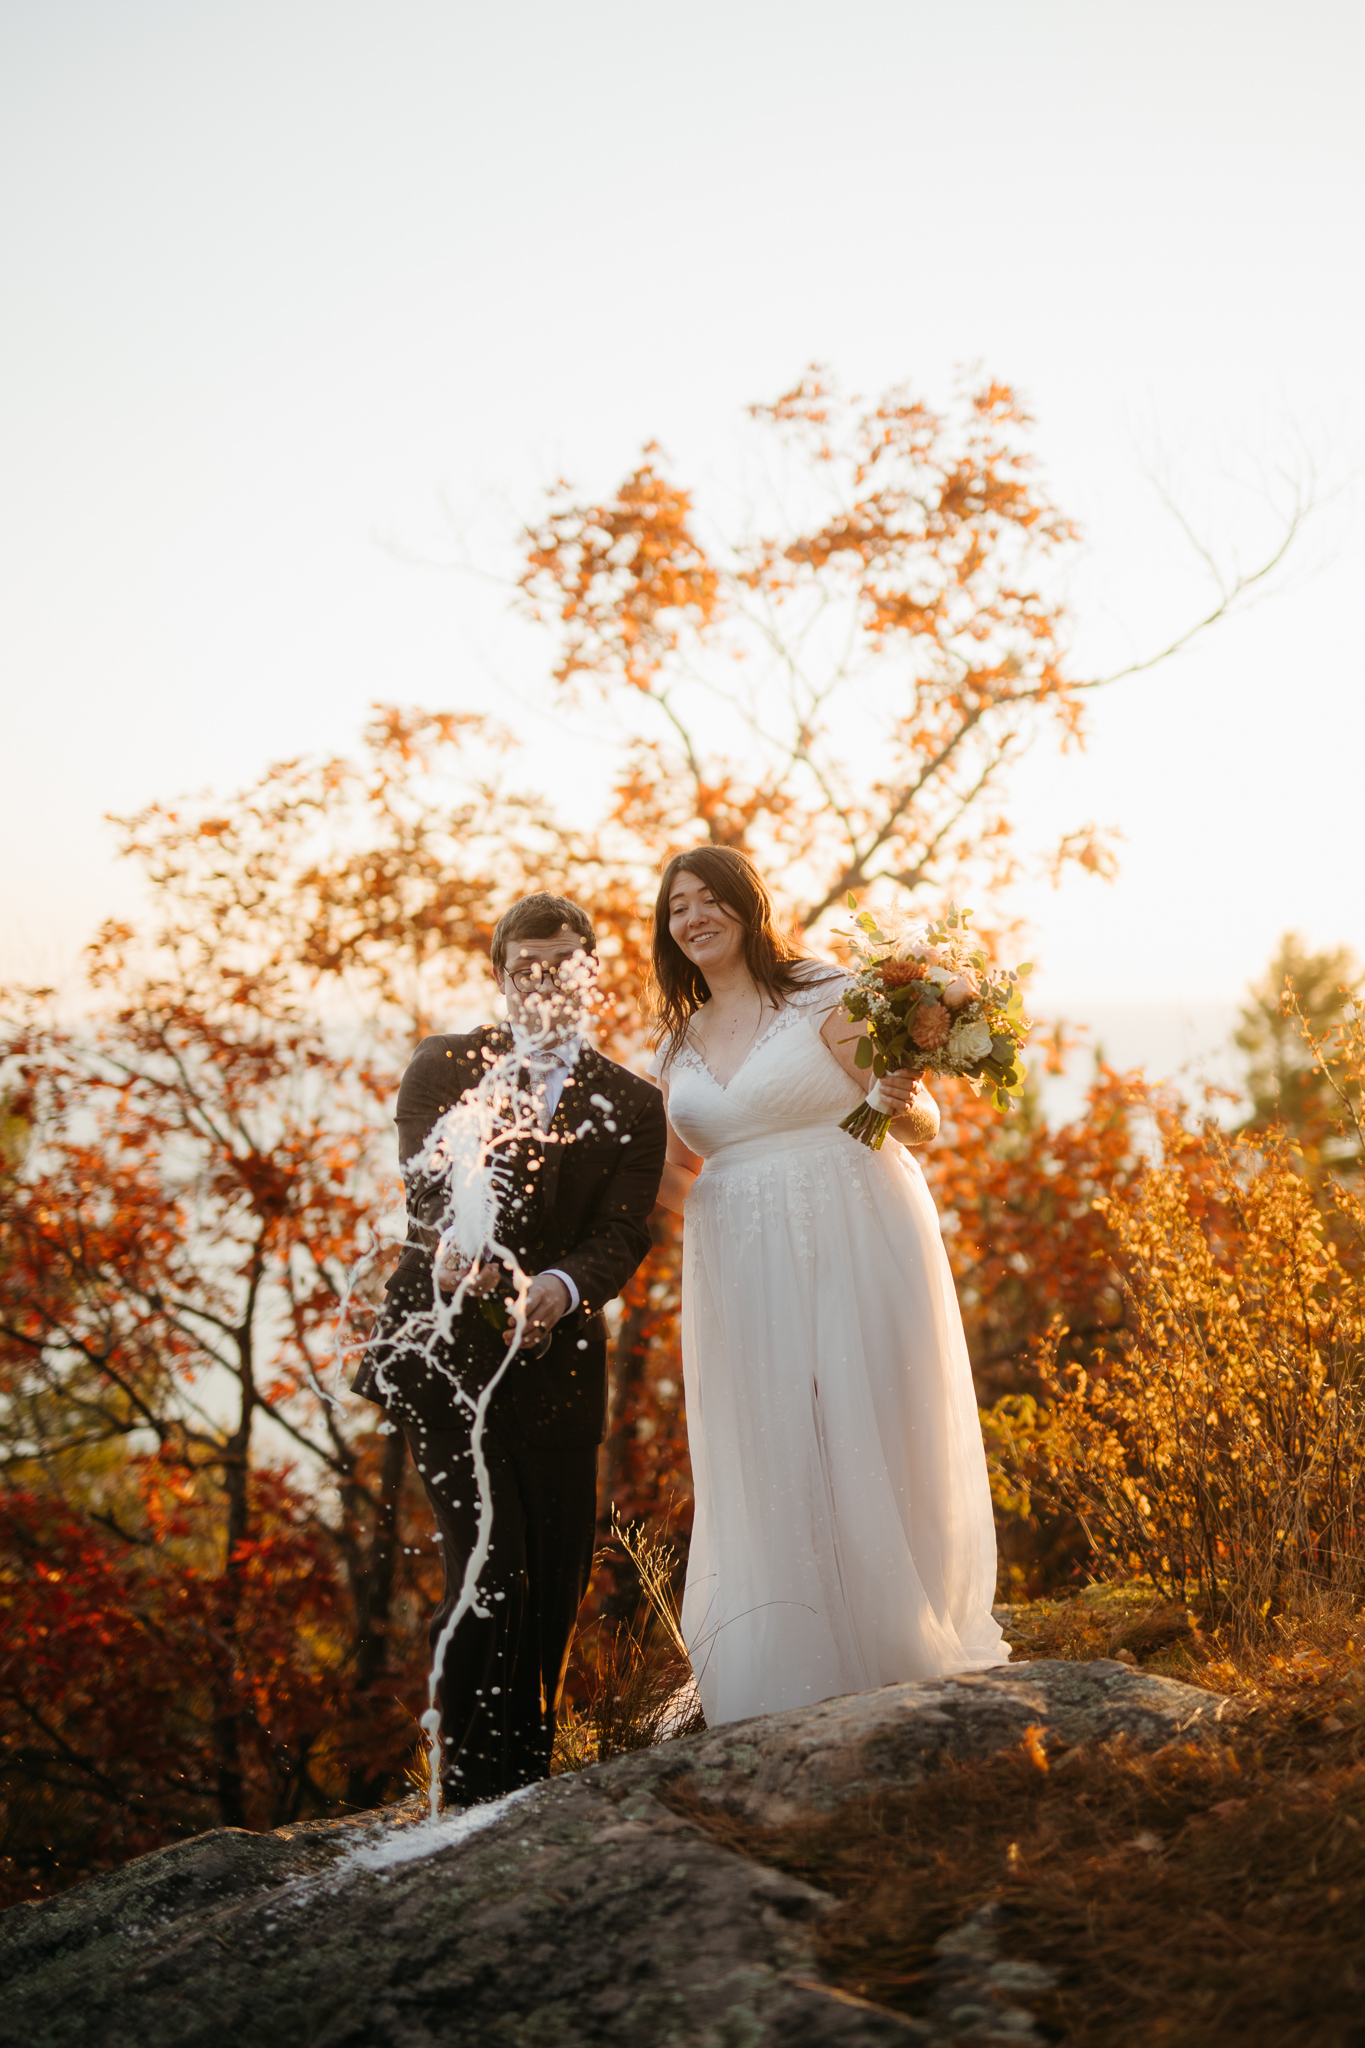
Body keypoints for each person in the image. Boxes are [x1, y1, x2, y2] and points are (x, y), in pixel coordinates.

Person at [650, 847, 1004, 1727]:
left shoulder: (819, 995)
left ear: (745, 906)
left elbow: (917, 1118)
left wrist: (896, 1094)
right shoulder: (676, 1040)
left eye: (709, 900)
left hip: (850, 1219)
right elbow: (665, 1169)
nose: (693, 917)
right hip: (734, 1250)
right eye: (676, 907)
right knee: (769, 1434)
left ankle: (896, 1632)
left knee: (866, 1415)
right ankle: (794, 1649)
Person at [354, 892, 666, 1804]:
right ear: (500, 977)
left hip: (560, 1368)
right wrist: (465, 1253)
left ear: (589, 969)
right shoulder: (442, 1067)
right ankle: (468, 1796)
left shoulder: (633, 1102)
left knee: (556, 1587)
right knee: (494, 1569)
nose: (544, 982)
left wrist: (559, 1288)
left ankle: (525, 1788)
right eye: (524, 968)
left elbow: (620, 1234)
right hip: (445, 1361)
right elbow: (426, 1193)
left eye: (562, 963)